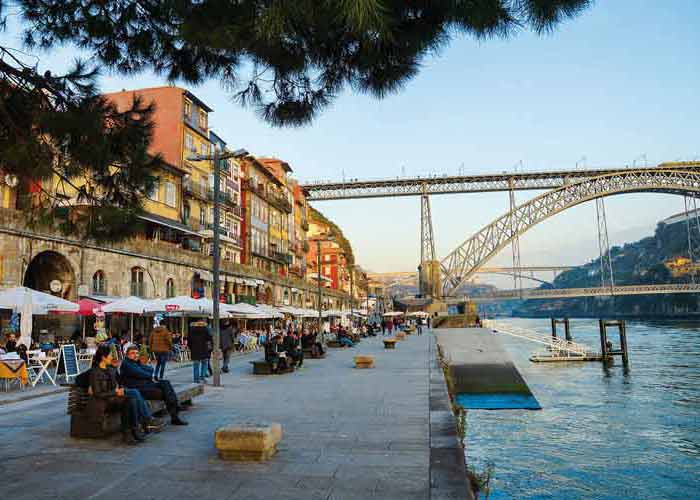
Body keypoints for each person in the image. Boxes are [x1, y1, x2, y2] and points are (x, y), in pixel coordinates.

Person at [88, 344, 155, 443]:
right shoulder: (95, 372)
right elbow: (98, 394)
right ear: (103, 357)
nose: (112, 357)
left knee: (131, 400)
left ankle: (132, 431)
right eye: (110, 355)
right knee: (131, 397)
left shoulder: (111, 369)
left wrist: (121, 389)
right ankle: (140, 425)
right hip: (103, 403)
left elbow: (120, 382)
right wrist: (115, 391)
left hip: (113, 399)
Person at [119, 345, 188, 426]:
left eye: (137, 353)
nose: (135, 355)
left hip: (147, 386)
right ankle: (175, 413)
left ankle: (175, 411)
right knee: (166, 393)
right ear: (127, 355)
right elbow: (142, 374)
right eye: (132, 353)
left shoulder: (136, 362)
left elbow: (151, 369)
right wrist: (146, 372)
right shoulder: (126, 364)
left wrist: (142, 366)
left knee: (165, 383)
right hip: (138, 389)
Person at [188, 319, 212, 383]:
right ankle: (202, 377)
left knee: (196, 365)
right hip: (204, 349)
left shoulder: (191, 330)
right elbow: (209, 338)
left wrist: (191, 348)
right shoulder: (206, 330)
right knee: (204, 364)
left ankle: (196, 379)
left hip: (195, 350)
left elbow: (189, 342)